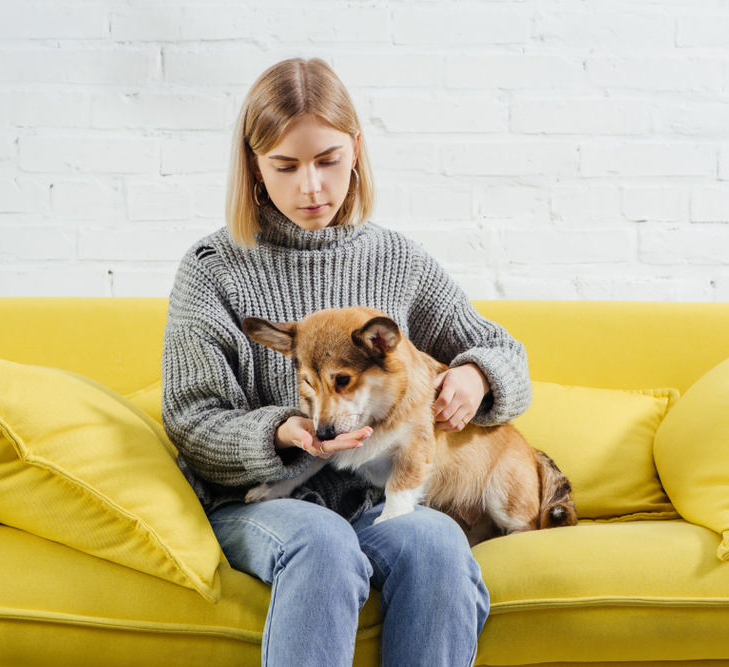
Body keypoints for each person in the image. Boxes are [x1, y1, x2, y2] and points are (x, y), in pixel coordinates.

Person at [161, 57, 532, 667]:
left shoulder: (396, 260)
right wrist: (282, 434)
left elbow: (507, 356)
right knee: (325, 542)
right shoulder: (212, 271)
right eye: (285, 165)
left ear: (356, 150)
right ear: (254, 166)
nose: (312, 187)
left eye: (328, 160)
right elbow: (191, 420)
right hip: (258, 503)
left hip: (371, 503)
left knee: (437, 540)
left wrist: (475, 375)